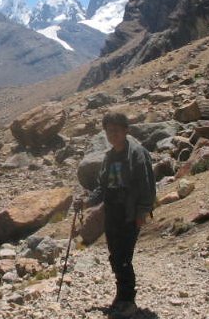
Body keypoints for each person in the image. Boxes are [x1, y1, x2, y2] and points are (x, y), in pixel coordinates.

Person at [74, 112, 156, 317]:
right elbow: (102, 187)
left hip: (129, 213)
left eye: (116, 130)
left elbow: (147, 186)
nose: (113, 134)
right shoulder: (110, 156)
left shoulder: (137, 153)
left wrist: (142, 212)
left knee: (124, 257)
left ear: (126, 130)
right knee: (115, 255)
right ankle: (121, 296)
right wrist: (86, 202)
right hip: (112, 213)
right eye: (109, 131)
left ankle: (128, 300)